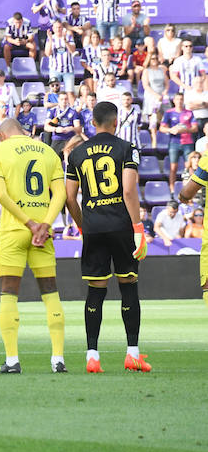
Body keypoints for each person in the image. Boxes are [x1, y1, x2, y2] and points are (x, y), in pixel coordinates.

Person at [65, 100, 151, 374]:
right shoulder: (127, 148)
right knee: (128, 284)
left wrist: (82, 226)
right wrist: (138, 228)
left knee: (95, 290)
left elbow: (69, 197)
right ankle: (132, 354)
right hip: (121, 227)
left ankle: (92, 356)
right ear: (116, 122)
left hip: (93, 227)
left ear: (92, 123)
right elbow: (128, 190)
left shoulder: (76, 154)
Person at [0, 118, 68, 375]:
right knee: (51, 293)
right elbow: (61, 194)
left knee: (8, 293)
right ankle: (58, 359)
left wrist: (29, 224)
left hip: (14, 231)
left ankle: (12, 360)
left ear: (2, 135)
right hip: (43, 234)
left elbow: (0, 195)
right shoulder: (47, 151)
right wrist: (44, 224)